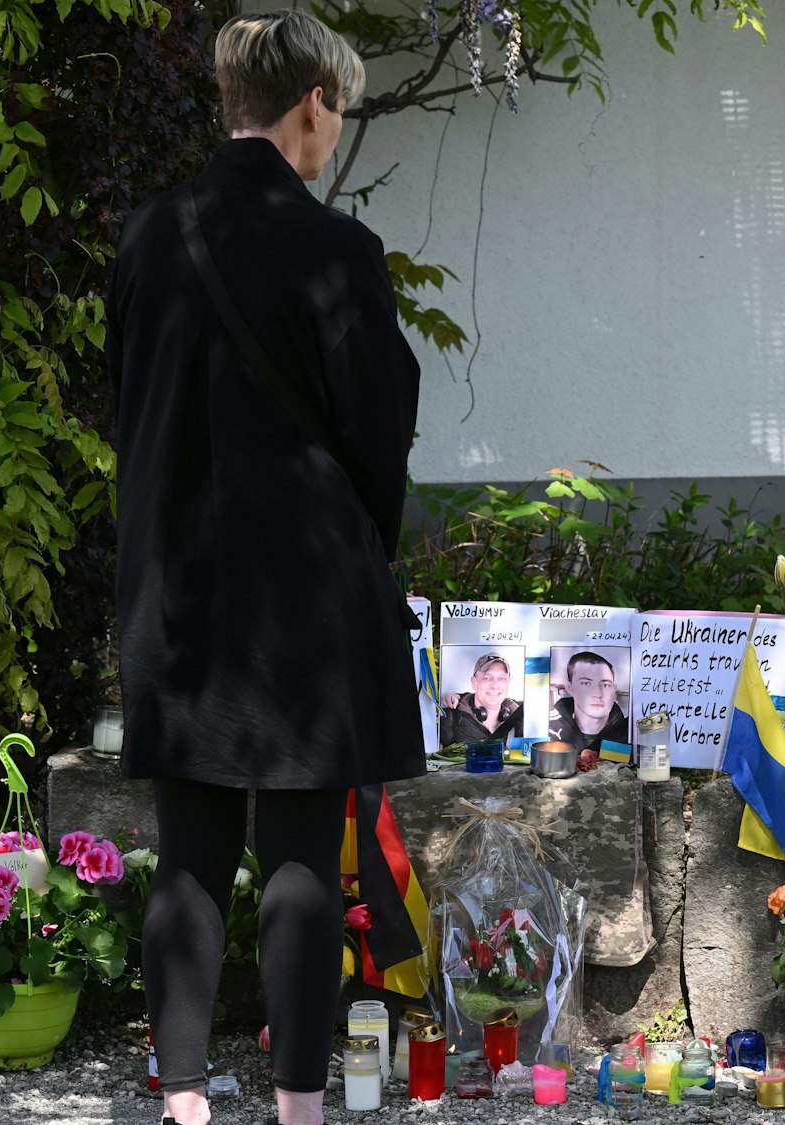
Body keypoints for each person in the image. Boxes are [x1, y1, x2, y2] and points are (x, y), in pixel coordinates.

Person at [108, 13, 421, 1125]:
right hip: (303, 598)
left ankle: (184, 1104)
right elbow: (377, 442)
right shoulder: (337, 254)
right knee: (298, 857)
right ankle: (297, 1107)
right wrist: (361, 554)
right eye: (336, 106)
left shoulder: (146, 239)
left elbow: (130, 417)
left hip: (176, 594)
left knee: (188, 857)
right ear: (309, 106)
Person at [439, 652, 526, 745]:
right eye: (487, 678)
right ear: (474, 682)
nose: (495, 685)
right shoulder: (451, 716)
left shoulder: (523, 715)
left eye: (502, 678)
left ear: (509, 682)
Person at [549, 650, 630, 749]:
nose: (598, 694)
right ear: (570, 688)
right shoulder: (548, 729)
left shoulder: (630, 734)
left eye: (605, 685)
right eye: (586, 683)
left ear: (614, 689)